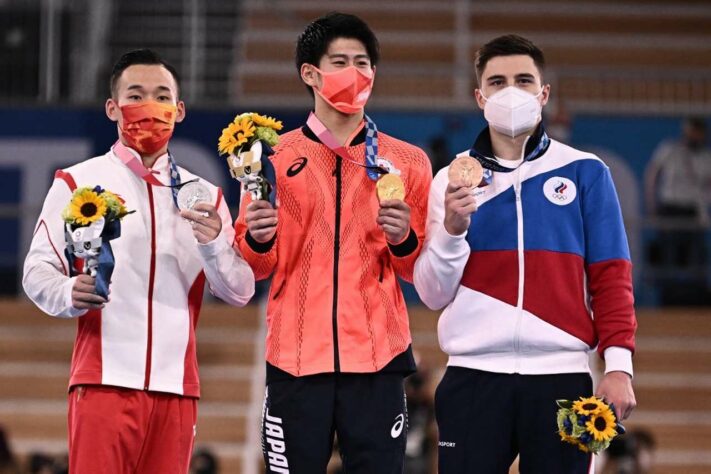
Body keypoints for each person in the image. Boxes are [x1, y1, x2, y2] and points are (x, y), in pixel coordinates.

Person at [22, 49, 255, 474]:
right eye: (136, 95)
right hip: (102, 381)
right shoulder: (76, 181)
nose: (150, 106)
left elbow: (240, 291)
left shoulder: (206, 195)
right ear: (113, 107)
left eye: (162, 96)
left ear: (179, 110)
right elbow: (36, 271)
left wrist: (215, 245)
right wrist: (68, 293)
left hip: (176, 388)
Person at [413, 34, 637, 473]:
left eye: (523, 79)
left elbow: (611, 277)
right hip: (472, 377)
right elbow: (433, 294)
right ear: (480, 96)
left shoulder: (586, 172)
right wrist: (453, 233)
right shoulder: (450, 180)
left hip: (563, 379)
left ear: (543, 93)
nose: (510, 91)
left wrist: (619, 366)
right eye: (497, 82)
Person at [234, 12, 432, 473]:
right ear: (310, 73)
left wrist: (403, 239)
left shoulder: (409, 162)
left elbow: (418, 273)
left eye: (363, 63)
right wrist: (259, 241)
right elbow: (253, 268)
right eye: (340, 61)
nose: (355, 73)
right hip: (294, 360)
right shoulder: (270, 160)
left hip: (378, 359)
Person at [644, 117, 710, 304]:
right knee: (669, 256)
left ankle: (696, 303)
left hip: (692, 212)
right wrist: (652, 206)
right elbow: (652, 175)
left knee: (696, 259)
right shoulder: (669, 149)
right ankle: (668, 302)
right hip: (670, 209)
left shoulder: (706, 157)